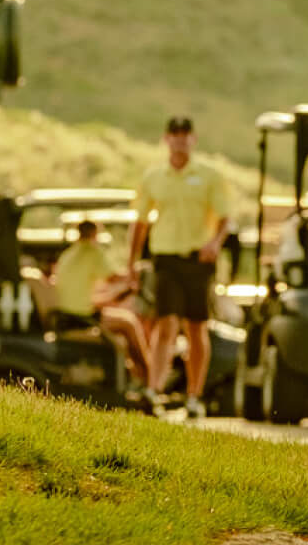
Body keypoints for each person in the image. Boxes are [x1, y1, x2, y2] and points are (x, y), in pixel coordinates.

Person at [130, 115, 228, 421]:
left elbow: (225, 218)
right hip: (166, 259)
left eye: (185, 134)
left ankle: (194, 395)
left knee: (196, 327)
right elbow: (141, 221)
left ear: (193, 139)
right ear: (166, 139)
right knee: (166, 323)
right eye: (174, 134)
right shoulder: (154, 177)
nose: (180, 139)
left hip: (198, 260)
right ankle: (154, 389)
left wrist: (215, 243)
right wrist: (131, 262)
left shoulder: (209, 175)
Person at [52, 221, 152, 394]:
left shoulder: (67, 254)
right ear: (95, 234)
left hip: (68, 314)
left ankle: (133, 374)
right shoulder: (92, 252)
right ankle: (148, 378)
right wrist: (133, 277)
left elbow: (87, 291)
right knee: (129, 323)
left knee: (121, 320)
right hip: (80, 317)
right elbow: (114, 278)